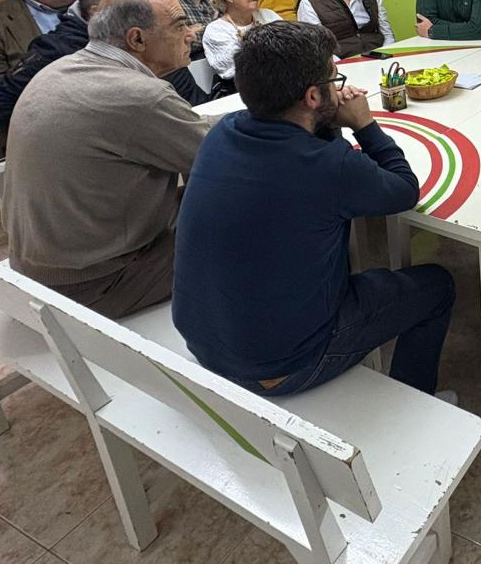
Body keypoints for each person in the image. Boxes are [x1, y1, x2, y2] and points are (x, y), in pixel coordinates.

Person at [173, 21, 456, 399]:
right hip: (280, 366)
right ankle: (418, 397)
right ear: (312, 96)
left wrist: (322, 120)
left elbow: (300, 153)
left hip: (202, 339)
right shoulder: (329, 165)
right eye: (332, 79)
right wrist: (364, 124)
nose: (337, 87)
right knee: (436, 286)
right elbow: (404, 191)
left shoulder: (222, 132)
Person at [3, 0, 208, 318]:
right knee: (266, 215)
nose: (191, 34)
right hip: (97, 282)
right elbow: (223, 163)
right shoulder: (139, 95)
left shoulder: (60, 70)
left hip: (41, 265)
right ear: (137, 39)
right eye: (180, 25)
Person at [0, 0, 210, 131]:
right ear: (100, 12)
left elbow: (191, 101)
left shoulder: (154, 36)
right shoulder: (59, 52)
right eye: (134, 4)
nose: (148, 7)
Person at [201, 0, 283, 88]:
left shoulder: (268, 16)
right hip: (242, 91)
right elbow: (241, 70)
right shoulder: (216, 31)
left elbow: (291, 49)